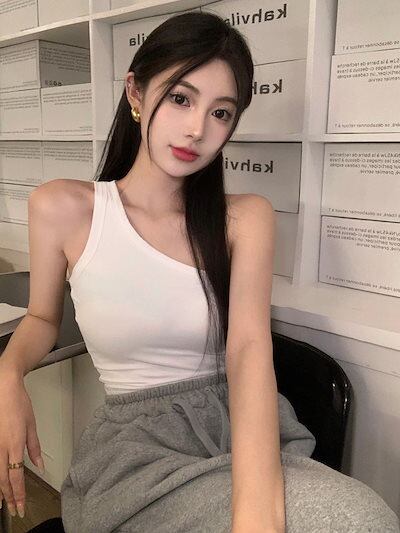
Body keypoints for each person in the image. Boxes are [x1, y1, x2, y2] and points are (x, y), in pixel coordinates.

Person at [0, 10, 399, 533]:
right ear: (136, 93)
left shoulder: (245, 218)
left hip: (240, 426)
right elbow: (42, 318)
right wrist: (8, 372)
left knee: (361, 517)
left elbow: (248, 350)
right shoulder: (63, 208)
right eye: (181, 98)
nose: (197, 129)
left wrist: (256, 518)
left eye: (221, 112)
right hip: (138, 450)